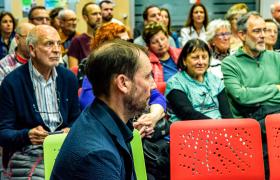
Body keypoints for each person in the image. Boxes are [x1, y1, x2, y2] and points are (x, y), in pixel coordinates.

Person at [51, 39, 155, 179]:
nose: (153, 85)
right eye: (148, 76)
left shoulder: (100, 117)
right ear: (123, 83)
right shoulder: (98, 156)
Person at [221, 12, 280, 178]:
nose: (263, 35)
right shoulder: (230, 63)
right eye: (257, 31)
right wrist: (274, 87)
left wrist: (255, 93)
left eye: (264, 30)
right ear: (242, 35)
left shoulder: (276, 58)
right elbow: (241, 97)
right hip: (252, 121)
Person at [0, 25, 80, 179]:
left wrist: (70, 129)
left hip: (63, 147)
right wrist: (27, 135)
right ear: (32, 50)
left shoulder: (68, 78)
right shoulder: (12, 82)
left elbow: (76, 119)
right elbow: (3, 133)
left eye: (59, 43)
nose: (57, 50)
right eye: (49, 44)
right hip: (28, 151)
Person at [80, 22, 166, 138]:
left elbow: (157, 97)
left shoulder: (133, 69)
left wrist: (152, 117)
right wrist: (130, 129)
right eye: (123, 43)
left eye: (130, 41)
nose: (130, 46)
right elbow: (102, 116)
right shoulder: (94, 78)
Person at [165, 39, 232, 122]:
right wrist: (216, 126)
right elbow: (187, 114)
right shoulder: (175, 83)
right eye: (195, 57)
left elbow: (227, 114)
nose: (200, 62)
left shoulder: (215, 80)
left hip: (220, 129)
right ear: (184, 61)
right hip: (189, 130)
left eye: (204, 57)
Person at [68, 2, 101, 69]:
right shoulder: (77, 41)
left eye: (100, 14)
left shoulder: (107, 39)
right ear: (85, 17)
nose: (99, 17)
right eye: (94, 14)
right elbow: (74, 70)